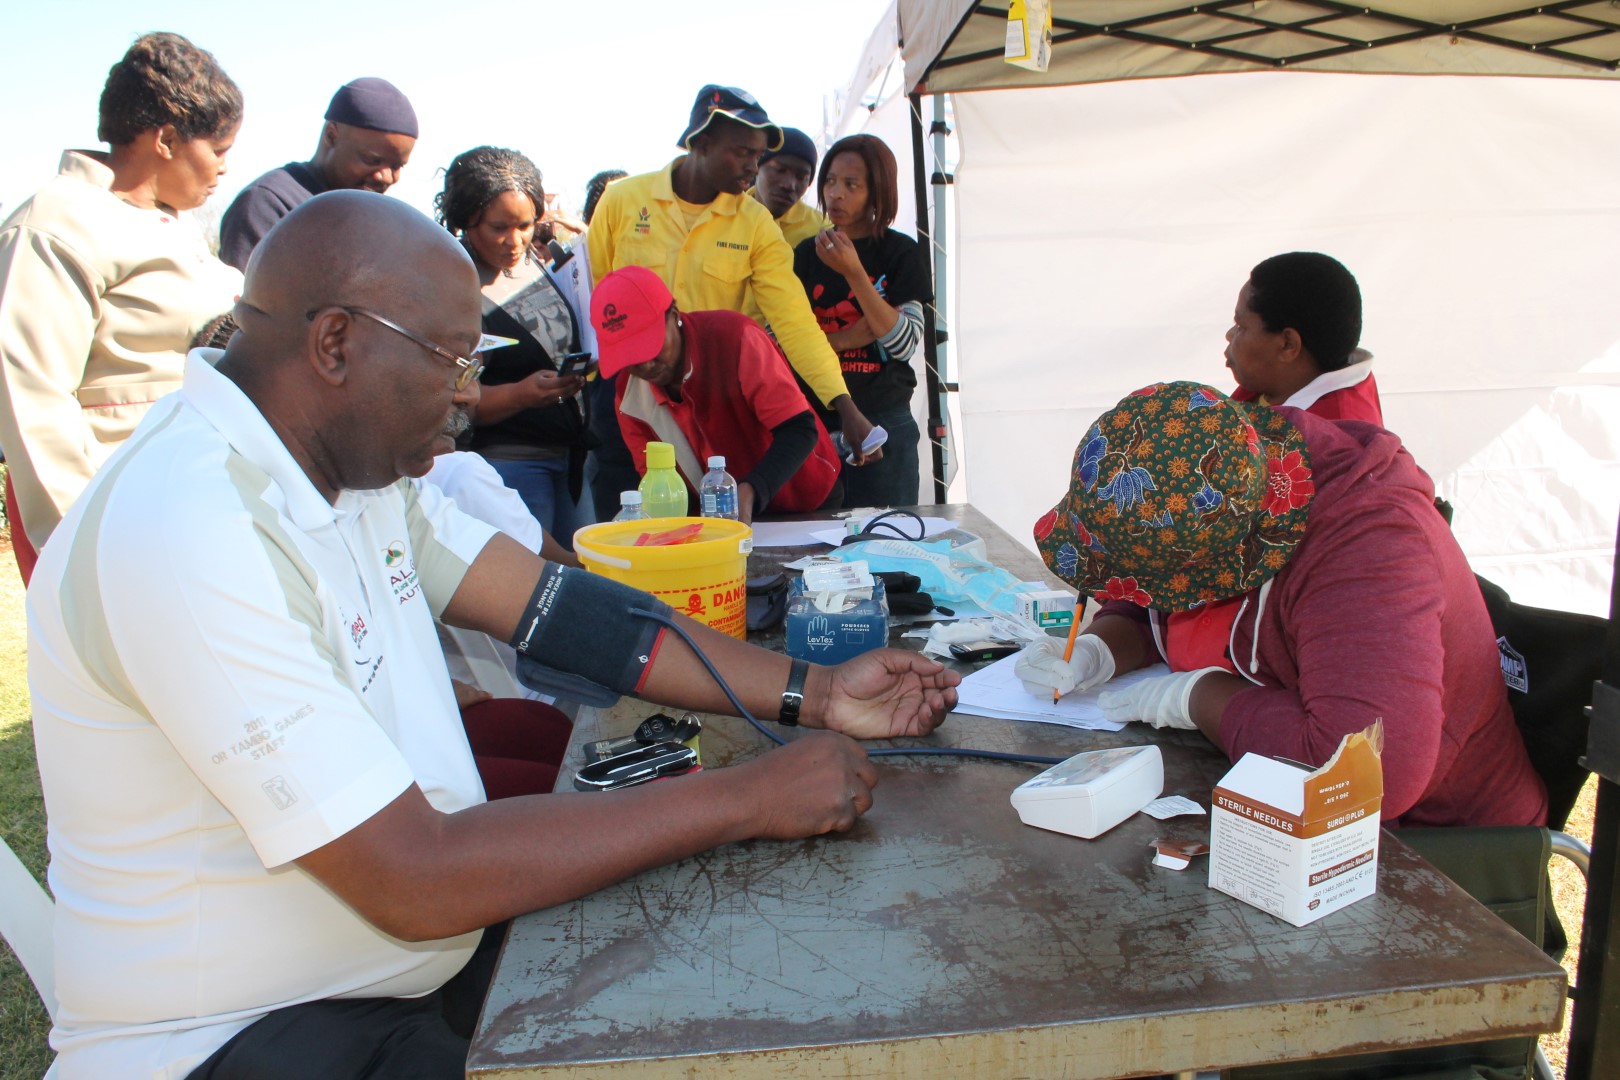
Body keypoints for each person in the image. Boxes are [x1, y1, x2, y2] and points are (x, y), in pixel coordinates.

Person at [27, 189, 959, 1079]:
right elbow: (415, 876)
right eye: (452, 363)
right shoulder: (189, 526)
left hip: (389, 985)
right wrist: (745, 798)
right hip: (234, 1040)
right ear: (336, 344)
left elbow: (572, 615)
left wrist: (818, 692)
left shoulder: (357, 477)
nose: (467, 397)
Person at [1015, 381, 1545, 830]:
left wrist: (1198, 697)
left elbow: (1364, 770)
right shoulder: (1226, 466)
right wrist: (1099, 646)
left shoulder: (1370, 549)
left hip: (1435, 853)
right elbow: (1159, 596)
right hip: (1282, 808)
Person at [0, 31, 243, 585]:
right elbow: (33, 400)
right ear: (166, 139)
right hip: (112, 510)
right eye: (220, 150)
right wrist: (86, 551)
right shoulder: (56, 225)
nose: (225, 169)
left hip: (189, 497)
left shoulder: (172, 230)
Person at [586, 85, 880, 506]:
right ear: (700, 142)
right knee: (632, 518)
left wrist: (843, 404)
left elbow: (794, 321)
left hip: (711, 403)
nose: (753, 166)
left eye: (758, 156)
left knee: (706, 515)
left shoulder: (756, 225)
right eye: (742, 151)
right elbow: (603, 297)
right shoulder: (622, 202)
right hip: (633, 394)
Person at [592, 266, 841, 522]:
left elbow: (800, 430)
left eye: (649, 347)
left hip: (807, 504)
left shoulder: (735, 338)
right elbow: (658, 481)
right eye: (629, 357)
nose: (644, 366)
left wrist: (749, 491)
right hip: (719, 521)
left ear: (674, 315)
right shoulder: (629, 394)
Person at [434, 146, 593, 543]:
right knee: (534, 586)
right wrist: (522, 394)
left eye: (524, 225)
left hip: (570, 461)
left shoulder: (537, 265)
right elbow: (455, 400)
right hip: (509, 467)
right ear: (466, 220)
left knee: (588, 577)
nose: (514, 240)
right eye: (498, 227)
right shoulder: (455, 285)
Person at [794, 133, 932, 508]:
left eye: (851, 185)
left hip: (886, 420)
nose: (835, 193)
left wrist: (855, 273)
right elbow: (784, 344)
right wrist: (847, 339)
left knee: (888, 541)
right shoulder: (806, 254)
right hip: (814, 422)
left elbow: (903, 343)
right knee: (811, 545)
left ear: (878, 192)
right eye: (830, 181)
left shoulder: (901, 252)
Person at [218, 77, 417, 270]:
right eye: (372, 160)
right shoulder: (268, 204)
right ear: (332, 136)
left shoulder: (376, 221)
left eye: (397, 166)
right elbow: (247, 298)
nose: (386, 177)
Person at [1225, 251, 1383, 425]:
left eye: (1241, 326)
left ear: (1288, 345)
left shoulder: (1333, 441)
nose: (1229, 335)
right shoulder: (1274, 380)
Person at [750, 127, 827, 248]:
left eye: (801, 177)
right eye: (780, 170)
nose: (789, 185)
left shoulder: (823, 233)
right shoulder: (722, 213)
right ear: (756, 167)